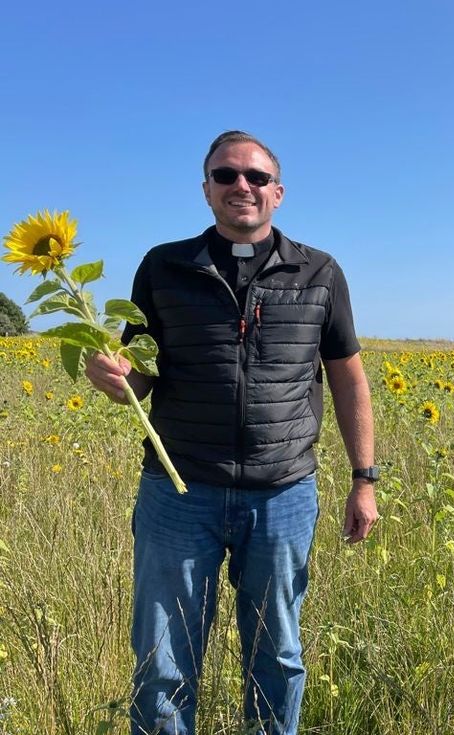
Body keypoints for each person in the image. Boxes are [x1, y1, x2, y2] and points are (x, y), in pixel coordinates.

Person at [85, 130, 379, 735]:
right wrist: (114, 377)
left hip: (283, 493)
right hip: (179, 492)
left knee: (277, 655)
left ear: (278, 192)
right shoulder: (164, 267)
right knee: (164, 660)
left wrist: (363, 479)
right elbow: (140, 374)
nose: (240, 186)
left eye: (254, 177)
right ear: (206, 190)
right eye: (225, 176)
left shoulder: (319, 272)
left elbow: (348, 377)